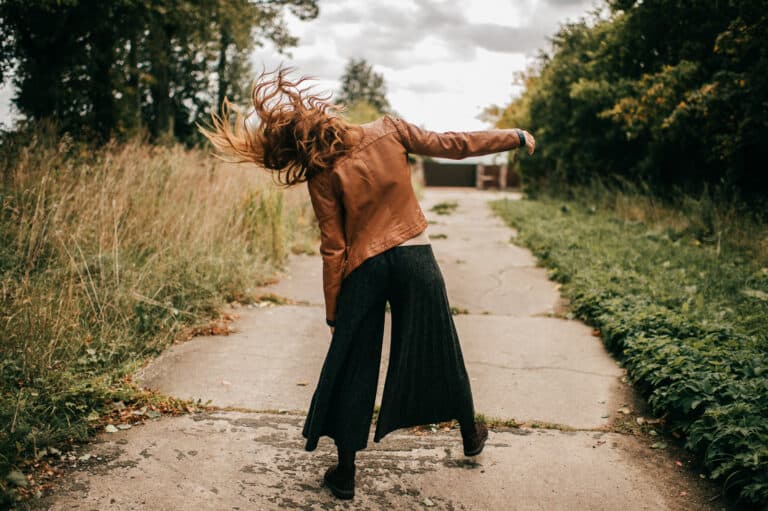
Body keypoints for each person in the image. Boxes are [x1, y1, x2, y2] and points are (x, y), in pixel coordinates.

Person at [199, 67, 536, 500]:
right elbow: (453, 144)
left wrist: (334, 309)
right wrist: (514, 136)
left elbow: (333, 247)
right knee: (440, 346)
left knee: (352, 363)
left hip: (364, 269)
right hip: (415, 255)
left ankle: (345, 474)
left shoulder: (322, 173)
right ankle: (471, 435)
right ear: (327, 116)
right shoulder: (389, 130)